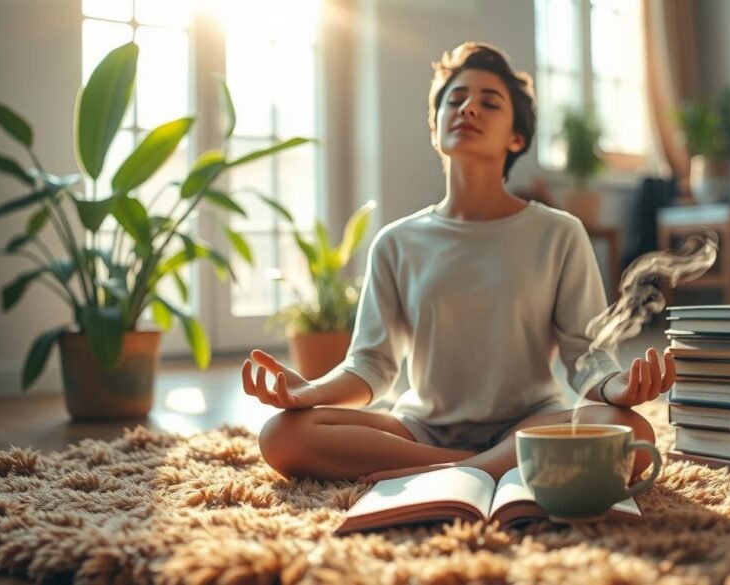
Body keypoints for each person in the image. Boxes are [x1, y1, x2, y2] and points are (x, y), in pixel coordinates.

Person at [242, 42, 675, 484]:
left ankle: (450, 471)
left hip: (529, 425)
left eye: (490, 102)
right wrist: (310, 391)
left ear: (516, 137)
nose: (468, 108)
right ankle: (477, 466)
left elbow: (585, 354)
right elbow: (370, 366)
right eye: (456, 100)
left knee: (632, 433)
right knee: (281, 435)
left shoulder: (559, 232)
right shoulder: (395, 242)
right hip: (422, 428)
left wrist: (615, 385)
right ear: (436, 129)